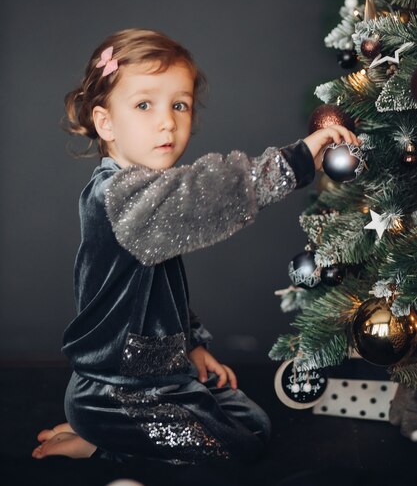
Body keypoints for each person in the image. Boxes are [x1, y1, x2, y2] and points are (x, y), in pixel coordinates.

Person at [31, 28, 361, 464]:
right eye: (145, 105)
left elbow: (161, 294)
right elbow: (207, 192)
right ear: (104, 122)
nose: (167, 121)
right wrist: (295, 161)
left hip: (165, 376)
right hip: (114, 389)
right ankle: (100, 440)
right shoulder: (118, 195)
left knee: (253, 422)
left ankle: (112, 432)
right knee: (239, 445)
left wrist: (192, 345)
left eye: (179, 105)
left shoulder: (151, 193)